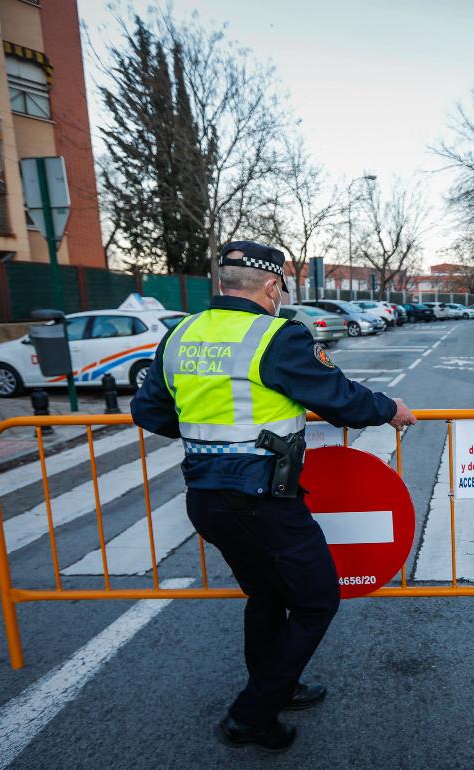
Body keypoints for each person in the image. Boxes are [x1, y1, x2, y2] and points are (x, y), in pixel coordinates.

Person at [131, 240, 416, 753]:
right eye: (281, 286)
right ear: (270, 286)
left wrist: (212, 440)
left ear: (222, 284)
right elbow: (340, 399)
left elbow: (150, 413)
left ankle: (276, 687)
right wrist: (390, 407)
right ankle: (251, 714)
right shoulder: (276, 337)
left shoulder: (179, 334)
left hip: (206, 498)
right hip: (263, 499)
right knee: (317, 601)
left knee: (267, 593)